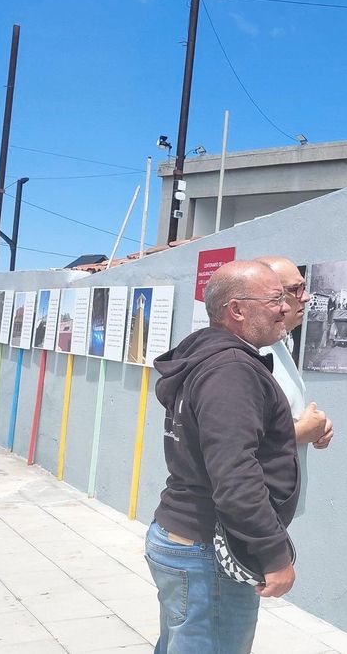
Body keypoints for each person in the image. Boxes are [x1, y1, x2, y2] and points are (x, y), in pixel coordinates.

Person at [146, 260, 300, 653]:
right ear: (237, 310)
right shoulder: (230, 369)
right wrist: (273, 553)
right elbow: (234, 474)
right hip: (208, 550)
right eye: (275, 299)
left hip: (185, 538)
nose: (286, 307)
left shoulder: (209, 358)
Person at [256, 256, 335, 517]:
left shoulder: (279, 343)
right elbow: (243, 436)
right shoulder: (255, 352)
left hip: (275, 505)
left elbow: (277, 417)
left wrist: (314, 429)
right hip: (257, 511)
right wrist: (303, 430)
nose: (307, 296)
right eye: (296, 289)